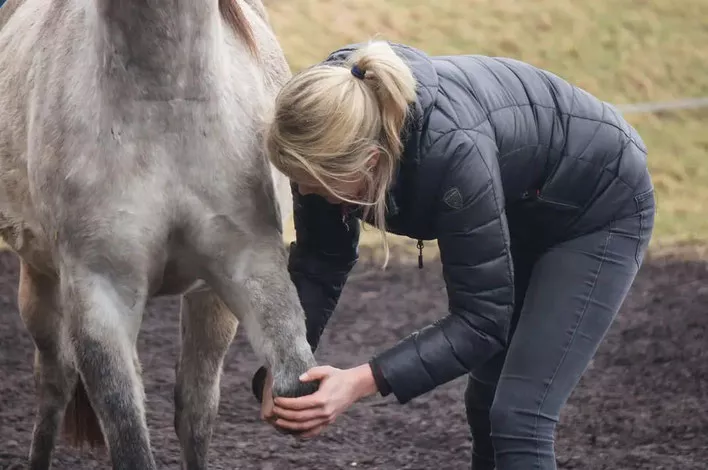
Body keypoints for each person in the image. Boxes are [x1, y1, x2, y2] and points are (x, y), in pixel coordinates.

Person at [250, 39, 655, 469]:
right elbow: (320, 261)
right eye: (298, 182)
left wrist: (359, 381)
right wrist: (286, 360)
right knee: (485, 403)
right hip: (518, 201)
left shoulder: (452, 152)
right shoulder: (326, 123)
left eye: (314, 185)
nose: (306, 193)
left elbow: (482, 321)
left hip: (599, 206)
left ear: (370, 162)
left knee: (519, 416)